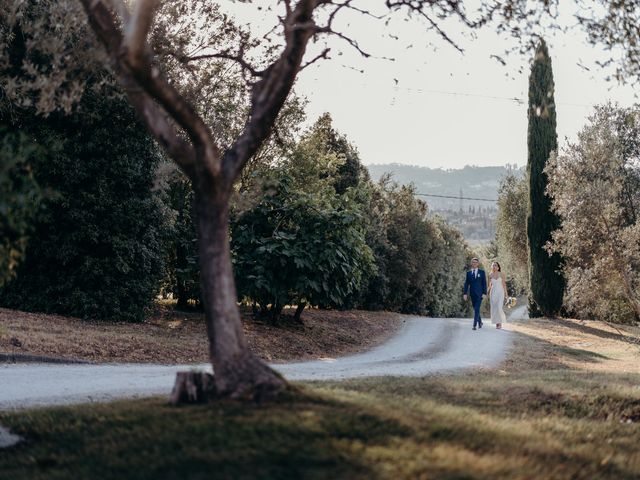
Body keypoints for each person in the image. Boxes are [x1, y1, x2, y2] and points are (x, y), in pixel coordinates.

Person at [463, 257, 487, 331]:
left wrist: (484, 293)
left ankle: (474, 325)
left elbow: (484, 283)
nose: (474, 263)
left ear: (478, 264)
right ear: (471, 263)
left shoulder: (482, 272)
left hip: (480, 294)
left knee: (477, 308)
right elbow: (466, 284)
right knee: (475, 309)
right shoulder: (468, 273)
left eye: (476, 262)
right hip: (472, 294)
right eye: (473, 262)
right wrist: (465, 293)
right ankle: (480, 322)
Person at [488, 261, 507, 329]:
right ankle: (497, 323)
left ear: (498, 267)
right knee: (494, 308)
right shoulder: (490, 275)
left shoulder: (502, 274)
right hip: (493, 293)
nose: (494, 267)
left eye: (495, 265)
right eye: (493, 265)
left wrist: (506, 295)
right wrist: (485, 293)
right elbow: (489, 286)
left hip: (500, 292)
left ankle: (500, 322)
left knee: (499, 307)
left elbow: (504, 285)